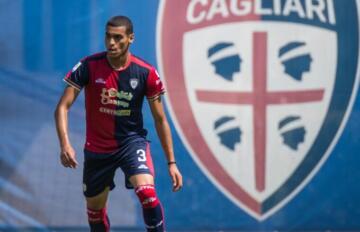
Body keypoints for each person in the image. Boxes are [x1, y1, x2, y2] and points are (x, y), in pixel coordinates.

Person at [54, 15, 182, 232]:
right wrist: (64, 144)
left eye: (117, 37)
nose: (111, 43)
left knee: (148, 194)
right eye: (108, 37)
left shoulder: (146, 73)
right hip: (97, 149)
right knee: (95, 212)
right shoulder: (88, 66)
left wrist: (171, 162)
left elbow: (160, 119)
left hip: (131, 144)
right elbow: (62, 107)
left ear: (131, 38)